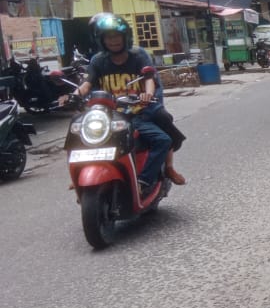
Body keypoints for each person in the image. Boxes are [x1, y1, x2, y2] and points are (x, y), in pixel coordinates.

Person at [62, 13, 184, 191]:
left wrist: (147, 95)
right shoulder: (98, 61)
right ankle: (78, 173)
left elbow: (149, 78)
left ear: (125, 37)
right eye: (108, 37)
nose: (113, 41)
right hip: (107, 116)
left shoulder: (138, 55)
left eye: (117, 36)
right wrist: (73, 95)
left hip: (136, 114)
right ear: (101, 40)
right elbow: (87, 84)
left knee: (163, 138)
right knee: (76, 135)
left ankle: (148, 179)